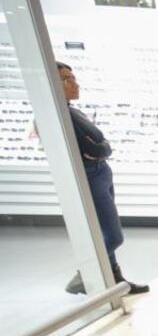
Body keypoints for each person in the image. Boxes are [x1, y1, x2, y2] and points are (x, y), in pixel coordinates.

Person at [59, 62, 149, 295]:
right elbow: (92, 147)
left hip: (101, 172)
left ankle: (115, 280)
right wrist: (101, 148)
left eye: (73, 78)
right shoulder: (60, 116)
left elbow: (102, 145)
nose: (75, 83)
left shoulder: (73, 112)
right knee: (113, 235)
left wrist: (101, 148)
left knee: (106, 232)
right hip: (89, 175)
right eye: (68, 80)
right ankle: (85, 274)